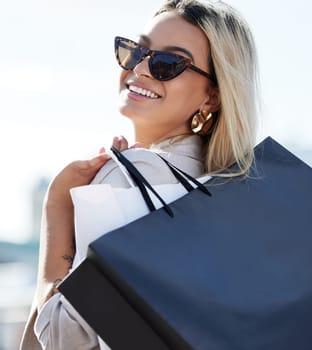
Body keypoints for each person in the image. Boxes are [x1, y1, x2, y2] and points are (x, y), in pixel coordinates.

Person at [20, 0, 259, 348]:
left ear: (213, 96)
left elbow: (61, 341)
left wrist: (57, 205)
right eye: (136, 51)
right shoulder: (234, 186)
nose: (142, 68)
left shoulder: (126, 181)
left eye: (168, 62)